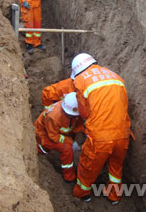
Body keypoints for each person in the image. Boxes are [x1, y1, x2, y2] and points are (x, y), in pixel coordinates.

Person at [70, 53, 133, 205]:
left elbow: (84, 112)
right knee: (116, 168)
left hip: (100, 139)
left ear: (77, 71)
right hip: (123, 133)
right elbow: (124, 104)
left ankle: (82, 194)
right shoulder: (115, 77)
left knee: (88, 167)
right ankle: (114, 196)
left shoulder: (80, 81)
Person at [34, 92, 83, 182]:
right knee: (67, 148)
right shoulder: (54, 116)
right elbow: (53, 136)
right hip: (44, 135)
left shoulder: (70, 108)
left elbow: (78, 123)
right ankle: (69, 177)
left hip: (54, 131)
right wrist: (71, 142)